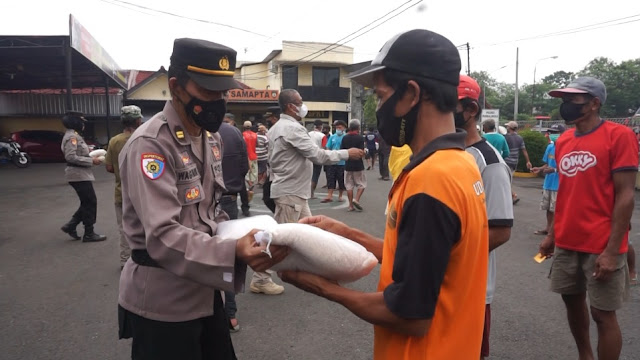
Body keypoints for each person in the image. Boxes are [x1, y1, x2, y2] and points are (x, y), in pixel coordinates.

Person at [281, 29, 489, 360]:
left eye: (380, 96)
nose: (378, 107)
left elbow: (408, 315)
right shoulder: (459, 164)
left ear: (411, 93)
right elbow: (423, 262)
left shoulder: (431, 180)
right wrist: (346, 233)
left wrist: (322, 287)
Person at [117, 38, 288, 360]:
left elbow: (209, 213)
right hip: (164, 302)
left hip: (206, 290)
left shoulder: (209, 139)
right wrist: (232, 249)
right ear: (176, 87)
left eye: (223, 93)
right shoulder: (151, 145)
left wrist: (248, 236)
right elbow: (163, 236)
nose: (218, 101)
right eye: (209, 92)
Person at [539, 77, 638, 360]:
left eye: (574, 101)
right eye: (564, 101)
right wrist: (552, 234)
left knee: (602, 314)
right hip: (567, 242)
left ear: (594, 104)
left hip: (602, 244)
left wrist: (611, 250)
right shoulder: (564, 140)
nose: (566, 106)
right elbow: (567, 192)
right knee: (571, 303)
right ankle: (585, 356)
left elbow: (626, 195)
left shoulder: (618, 136)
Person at [259, 89, 363, 295]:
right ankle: (261, 278)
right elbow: (317, 155)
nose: (303, 105)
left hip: (295, 191)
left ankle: (320, 271)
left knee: (314, 234)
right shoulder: (291, 128)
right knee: (279, 239)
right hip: (290, 192)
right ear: (291, 106)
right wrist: (347, 153)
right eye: (300, 102)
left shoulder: (277, 127)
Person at [456, 74, 513, 360]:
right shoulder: (446, 153)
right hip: (437, 287)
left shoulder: (489, 162)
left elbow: (500, 231)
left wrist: (447, 256)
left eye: (448, 103)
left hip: (471, 290)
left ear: (471, 111)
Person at [218, 118, 250, 334]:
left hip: (195, 203)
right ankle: (230, 314)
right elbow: (244, 167)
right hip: (228, 199)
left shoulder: (189, 129)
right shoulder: (233, 132)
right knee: (227, 256)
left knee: (195, 253)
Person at [60, 110, 107, 243]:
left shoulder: (74, 136)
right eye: (81, 121)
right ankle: (88, 233)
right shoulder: (72, 137)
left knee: (87, 202)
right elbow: (70, 156)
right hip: (77, 174)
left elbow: (77, 152)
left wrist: (89, 152)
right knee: (90, 202)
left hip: (80, 173)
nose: (83, 124)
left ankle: (71, 225)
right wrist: (91, 161)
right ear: (75, 122)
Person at [105, 105, 143, 268]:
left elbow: (109, 168)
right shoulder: (144, 138)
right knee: (146, 227)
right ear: (138, 120)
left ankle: (125, 261)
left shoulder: (114, 141)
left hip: (122, 194)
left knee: (124, 229)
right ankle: (144, 258)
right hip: (144, 194)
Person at [532, 124, 565, 236]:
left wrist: (555, 170)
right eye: (551, 132)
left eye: (555, 132)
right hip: (548, 183)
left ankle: (554, 231)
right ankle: (548, 228)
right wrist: (540, 168)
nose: (552, 135)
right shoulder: (550, 147)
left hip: (559, 184)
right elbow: (547, 163)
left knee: (556, 209)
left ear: (562, 133)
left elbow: (568, 167)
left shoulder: (566, 147)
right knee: (548, 208)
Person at [224, 114, 251, 217]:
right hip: (236, 170)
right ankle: (245, 208)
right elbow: (244, 152)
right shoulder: (236, 132)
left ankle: (245, 207)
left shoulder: (236, 132)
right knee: (242, 189)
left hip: (228, 171)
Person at [504, 121, 532, 204]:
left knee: (506, 180)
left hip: (506, 161)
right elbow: (524, 150)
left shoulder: (505, 137)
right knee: (508, 180)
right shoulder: (519, 138)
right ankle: (512, 196)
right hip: (514, 162)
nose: (506, 128)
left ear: (509, 128)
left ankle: (513, 196)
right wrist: (528, 161)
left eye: (507, 126)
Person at [341, 119, 367, 212]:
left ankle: (350, 206)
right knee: (361, 184)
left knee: (349, 185)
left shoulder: (345, 138)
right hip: (358, 165)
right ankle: (356, 199)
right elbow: (361, 151)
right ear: (358, 128)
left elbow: (342, 151)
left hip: (348, 164)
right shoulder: (360, 138)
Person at [322, 120, 348, 203]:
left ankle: (340, 196)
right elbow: (328, 147)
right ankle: (329, 195)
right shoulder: (332, 137)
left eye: (339, 127)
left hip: (342, 162)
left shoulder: (346, 137)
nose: (338, 129)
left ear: (344, 128)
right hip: (332, 161)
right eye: (337, 128)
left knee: (341, 179)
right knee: (330, 179)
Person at [308, 119, 326, 199]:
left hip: (308, 156)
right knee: (315, 175)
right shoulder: (323, 136)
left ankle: (306, 192)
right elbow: (325, 147)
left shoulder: (308, 134)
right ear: (321, 126)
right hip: (318, 156)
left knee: (308, 175)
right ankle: (312, 194)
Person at [242, 120, 258, 202]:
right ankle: (250, 189)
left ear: (244, 127)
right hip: (254, 157)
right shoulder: (255, 135)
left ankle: (248, 190)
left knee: (246, 175)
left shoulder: (243, 135)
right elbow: (257, 144)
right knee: (253, 175)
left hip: (246, 157)